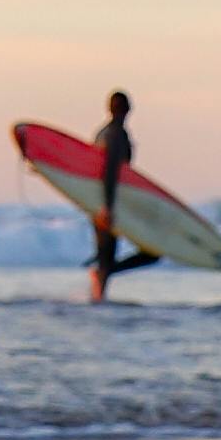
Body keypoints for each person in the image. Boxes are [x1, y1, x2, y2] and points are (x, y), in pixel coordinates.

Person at [90, 87, 137, 303]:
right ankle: (98, 296)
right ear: (128, 110)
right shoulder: (117, 134)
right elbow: (110, 171)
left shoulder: (101, 133)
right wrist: (109, 207)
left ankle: (98, 296)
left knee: (105, 257)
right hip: (110, 202)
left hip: (96, 201)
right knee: (109, 258)